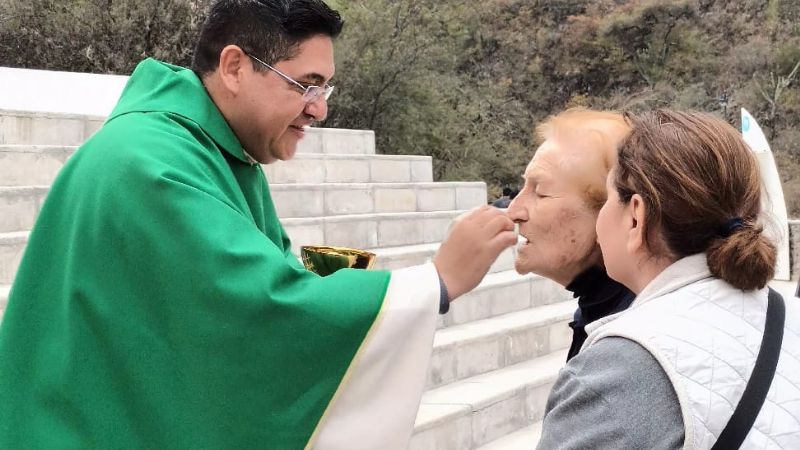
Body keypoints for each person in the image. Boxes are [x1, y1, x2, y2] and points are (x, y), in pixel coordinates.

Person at [0, 1, 517, 449]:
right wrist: (435, 282)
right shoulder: (150, 165)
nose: (319, 110)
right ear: (234, 67)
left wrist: (331, 279)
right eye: (305, 85)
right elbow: (259, 311)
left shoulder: (213, 150)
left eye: (326, 88)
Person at [537, 110, 800, 449]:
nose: (600, 219)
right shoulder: (790, 318)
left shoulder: (614, 373)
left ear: (636, 215)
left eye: (605, 200)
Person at [506, 108, 635, 360]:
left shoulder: (629, 346)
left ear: (612, 212)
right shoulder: (603, 309)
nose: (514, 211)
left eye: (540, 192)